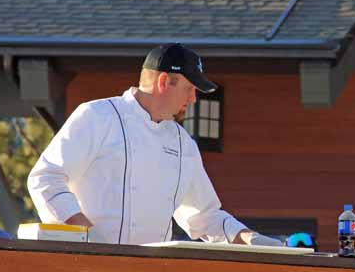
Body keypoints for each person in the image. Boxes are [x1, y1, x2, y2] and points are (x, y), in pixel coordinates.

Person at [27, 43, 281, 246]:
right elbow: (45, 179)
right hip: (85, 267)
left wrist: (250, 238)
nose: (193, 99)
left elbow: (204, 216)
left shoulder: (183, 144)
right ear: (163, 82)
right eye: (189, 88)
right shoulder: (98, 116)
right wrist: (87, 237)